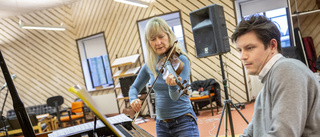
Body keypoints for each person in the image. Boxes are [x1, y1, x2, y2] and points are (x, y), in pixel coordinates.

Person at [231, 15, 320, 137]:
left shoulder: (286, 70)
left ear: (272, 45)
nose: (242, 56)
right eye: (240, 50)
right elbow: (251, 131)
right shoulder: (270, 79)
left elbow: (283, 134)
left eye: (249, 48)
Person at [129, 17, 199, 136]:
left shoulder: (181, 60)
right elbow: (134, 88)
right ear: (149, 42)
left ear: (169, 36)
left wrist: (172, 86)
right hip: (161, 124)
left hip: (184, 122)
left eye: (161, 37)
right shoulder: (150, 64)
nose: (158, 42)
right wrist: (133, 99)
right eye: (153, 39)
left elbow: (175, 96)